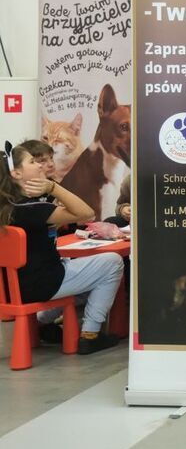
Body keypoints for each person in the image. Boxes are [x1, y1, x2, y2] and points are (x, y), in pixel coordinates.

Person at [0, 140, 124, 354]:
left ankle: (43, 323)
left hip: (13, 288)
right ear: (17, 174)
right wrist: (53, 187)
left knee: (88, 278)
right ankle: (90, 335)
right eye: (33, 162)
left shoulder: (10, 207)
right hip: (42, 284)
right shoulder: (35, 209)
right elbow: (86, 213)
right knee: (112, 262)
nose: (40, 165)